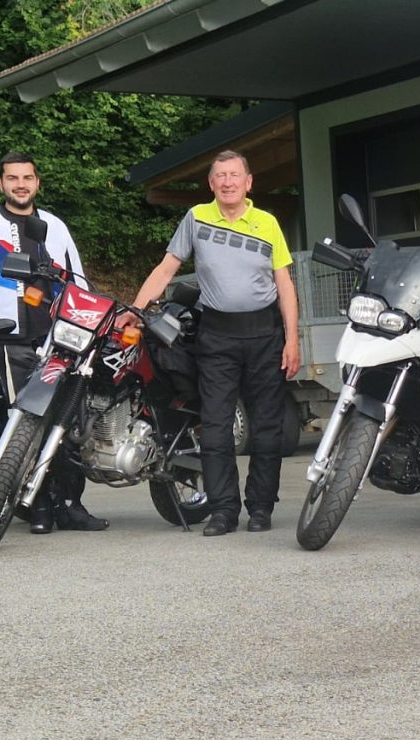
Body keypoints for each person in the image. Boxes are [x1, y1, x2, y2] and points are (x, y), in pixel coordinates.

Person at [126, 150, 300, 535]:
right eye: (220, 176)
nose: (227, 182)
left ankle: (260, 508)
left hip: (264, 334)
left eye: (234, 175)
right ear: (211, 183)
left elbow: (285, 285)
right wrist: (136, 310)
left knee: (267, 427)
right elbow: (166, 269)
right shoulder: (197, 218)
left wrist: (292, 340)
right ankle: (223, 510)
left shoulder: (267, 223)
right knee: (216, 426)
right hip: (216, 335)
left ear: (248, 182)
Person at [0, 151, 108, 534]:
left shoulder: (55, 226)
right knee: (25, 420)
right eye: (12, 178)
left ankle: (70, 505)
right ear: (0, 183)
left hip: (60, 340)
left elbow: (78, 281)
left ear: (37, 183)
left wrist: (89, 327)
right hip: (8, 339)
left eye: (27, 178)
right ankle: (38, 505)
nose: (20, 185)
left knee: (64, 422)